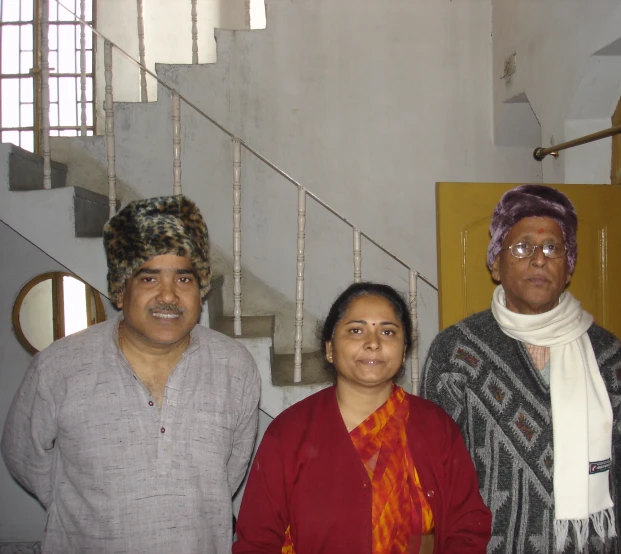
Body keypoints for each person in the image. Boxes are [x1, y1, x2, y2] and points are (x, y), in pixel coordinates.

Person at [2, 195, 261, 553]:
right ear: (121, 291)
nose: (168, 296)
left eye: (184, 278)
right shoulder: (60, 366)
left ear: (200, 290)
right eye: (149, 278)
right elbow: (23, 454)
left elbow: (230, 471)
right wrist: (80, 508)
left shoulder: (235, 367)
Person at [421, 185, 621, 553]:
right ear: (494, 263)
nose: (539, 260)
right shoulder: (456, 353)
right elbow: (434, 481)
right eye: (521, 247)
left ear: (568, 269)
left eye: (553, 248)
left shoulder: (606, 354)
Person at [233, 282, 491, 554]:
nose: (373, 343)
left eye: (388, 332)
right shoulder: (289, 433)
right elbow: (257, 541)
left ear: (403, 352)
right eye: (356, 330)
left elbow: (467, 528)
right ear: (330, 349)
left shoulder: (436, 428)